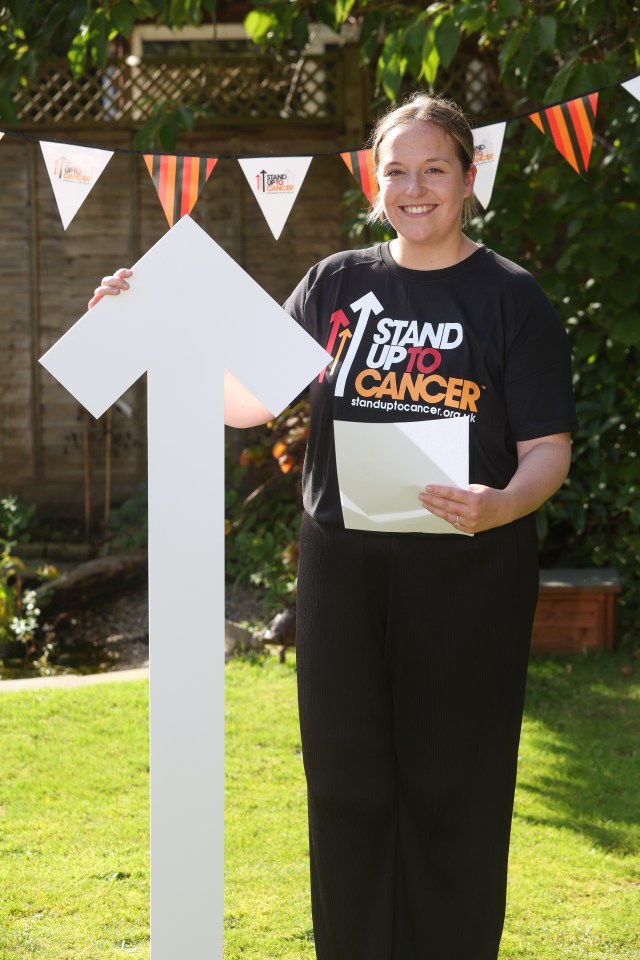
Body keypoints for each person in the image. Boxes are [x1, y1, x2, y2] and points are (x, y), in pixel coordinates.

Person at [91, 93, 577, 960]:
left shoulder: (514, 299)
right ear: (371, 181)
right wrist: (140, 323)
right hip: (343, 580)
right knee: (348, 787)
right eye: (396, 170)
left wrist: (503, 503)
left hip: (470, 576)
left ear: (471, 178)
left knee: (453, 785)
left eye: (435, 169)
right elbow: (249, 402)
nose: (415, 187)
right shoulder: (336, 284)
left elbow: (547, 448)